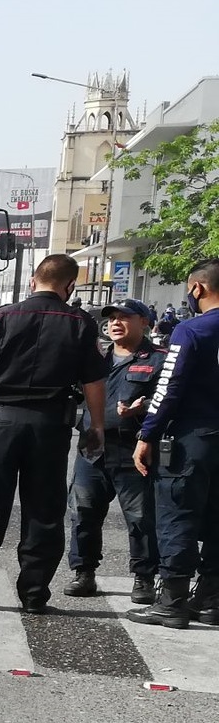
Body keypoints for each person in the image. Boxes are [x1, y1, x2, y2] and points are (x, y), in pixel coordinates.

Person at [0, 254, 109, 612]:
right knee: (44, 513)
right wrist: (96, 426)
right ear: (70, 286)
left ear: (33, 282)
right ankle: (34, 595)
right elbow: (94, 381)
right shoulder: (80, 323)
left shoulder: (1, 318)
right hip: (50, 427)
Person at [127, 260, 219, 628]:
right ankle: (211, 599)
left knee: (177, 515)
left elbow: (169, 388)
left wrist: (147, 433)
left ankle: (172, 600)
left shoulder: (191, 330)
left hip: (194, 438)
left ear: (197, 288)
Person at [64, 299, 163, 602]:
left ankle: (144, 578)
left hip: (133, 448)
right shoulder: (96, 358)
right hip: (92, 447)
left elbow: (170, 398)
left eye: (124, 318)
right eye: (112, 319)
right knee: (83, 511)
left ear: (144, 322)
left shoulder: (159, 358)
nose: (116, 323)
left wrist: (143, 407)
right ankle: (84, 573)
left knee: (140, 516)